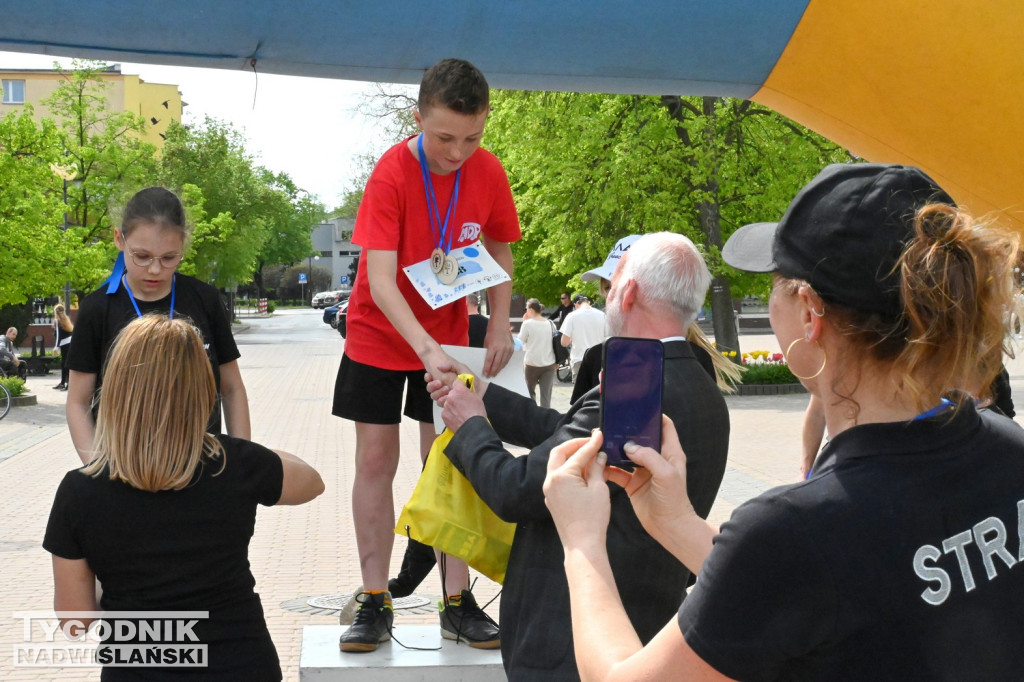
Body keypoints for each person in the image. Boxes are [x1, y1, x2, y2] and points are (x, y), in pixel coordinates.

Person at [543, 163, 1024, 681]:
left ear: (810, 314)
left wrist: (581, 543)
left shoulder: (796, 528)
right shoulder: (1006, 447)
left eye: (775, 281)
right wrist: (673, 521)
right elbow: (819, 588)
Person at [426, 232, 730, 680]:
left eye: (611, 283)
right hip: (646, 624)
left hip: (572, 639)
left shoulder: (639, 390)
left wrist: (470, 427)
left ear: (628, 293)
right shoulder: (702, 390)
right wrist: (486, 397)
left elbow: (517, 489)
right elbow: (567, 437)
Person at [332, 57, 519, 652]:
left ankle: (456, 600)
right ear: (419, 119)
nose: (458, 151)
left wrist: (498, 323)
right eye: (444, 137)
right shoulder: (390, 173)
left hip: (449, 339)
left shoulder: (488, 171)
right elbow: (380, 280)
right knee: (376, 464)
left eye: (472, 137)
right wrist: (424, 349)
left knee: (452, 460)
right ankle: (374, 597)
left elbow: (500, 244)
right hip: (379, 337)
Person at [43, 315, 324, 681]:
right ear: (202, 390)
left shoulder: (79, 491)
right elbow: (312, 483)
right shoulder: (233, 464)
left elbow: (75, 620)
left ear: (115, 390)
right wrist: (242, 450)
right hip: (242, 663)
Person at [66, 187, 251, 464]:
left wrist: (241, 462)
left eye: (169, 258)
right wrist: (97, 468)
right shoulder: (97, 309)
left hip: (200, 470)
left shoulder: (205, 299)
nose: (155, 269)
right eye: (142, 256)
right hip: (124, 472)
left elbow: (232, 389)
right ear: (119, 239)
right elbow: (78, 402)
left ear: (183, 245)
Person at [570, 235, 741, 403]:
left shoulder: (696, 357)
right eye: (607, 287)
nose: (611, 296)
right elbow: (577, 420)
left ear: (631, 291)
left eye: (616, 286)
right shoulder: (596, 357)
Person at [517, 298, 558, 407]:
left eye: (526, 308)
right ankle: (546, 420)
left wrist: (524, 322)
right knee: (546, 396)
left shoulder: (527, 324)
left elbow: (519, 342)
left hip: (532, 364)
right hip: (549, 364)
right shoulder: (551, 323)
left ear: (530, 309)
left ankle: (532, 417)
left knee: (529, 393)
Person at [560, 294, 606, 381]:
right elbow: (608, 336)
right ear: (589, 302)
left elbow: (564, 342)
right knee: (596, 391)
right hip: (598, 360)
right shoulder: (602, 315)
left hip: (579, 359)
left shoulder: (572, 316)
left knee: (580, 393)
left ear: (576, 304)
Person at [52, 303, 73, 390]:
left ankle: (66, 383)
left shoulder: (57, 321)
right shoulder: (66, 320)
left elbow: (58, 335)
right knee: (65, 363)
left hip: (64, 344)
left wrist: (56, 347)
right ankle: (64, 383)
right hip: (69, 343)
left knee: (65, 364)